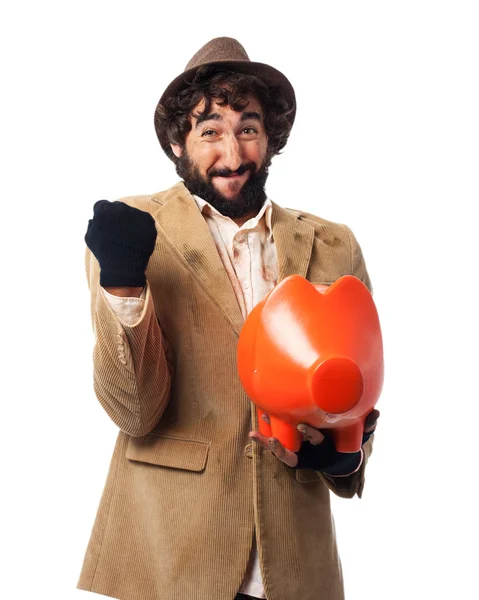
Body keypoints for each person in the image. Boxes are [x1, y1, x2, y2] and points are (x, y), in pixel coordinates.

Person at [78, 37, 379, 600]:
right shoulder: (131, 231)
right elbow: (133, 412)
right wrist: (124, 281)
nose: (233, 156)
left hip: (295, 562)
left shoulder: (334, 244)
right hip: (175, 554)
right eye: (210, 131)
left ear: (270, 139)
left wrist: (342, 452)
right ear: (177, 141)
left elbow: (358, 387)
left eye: (247, 128)